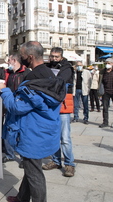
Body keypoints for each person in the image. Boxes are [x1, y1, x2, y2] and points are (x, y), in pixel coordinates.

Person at [0, 40, 64, 202]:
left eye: (21, 55)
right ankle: (23, 198)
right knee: (31, 166)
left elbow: (17, 107)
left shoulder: (33, 79)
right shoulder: (50, 74)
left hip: (32, 133)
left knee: (35, 174)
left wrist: (4, 91)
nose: (20, 58)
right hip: (44, 130)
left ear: (30, 56)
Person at [42, 47, 76, 177]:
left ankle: (69, 164)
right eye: (52, 56)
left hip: (63, 105)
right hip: (50, 105)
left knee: (65, 137)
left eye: (56, 57)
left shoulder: (67, 67)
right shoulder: (48, 66)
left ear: (61, 56)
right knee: (53, 135)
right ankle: (56, 161)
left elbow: (59, 81)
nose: (54, 59)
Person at [2, 53, 30, 164]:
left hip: (22, 107)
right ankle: (10, 154)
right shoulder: (8, 73)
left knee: (22, 133)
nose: (8, 62)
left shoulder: (27, 73)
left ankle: (23, 158)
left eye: (9, 60)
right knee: (8, 131)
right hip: (9, 106)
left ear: (14, 60)